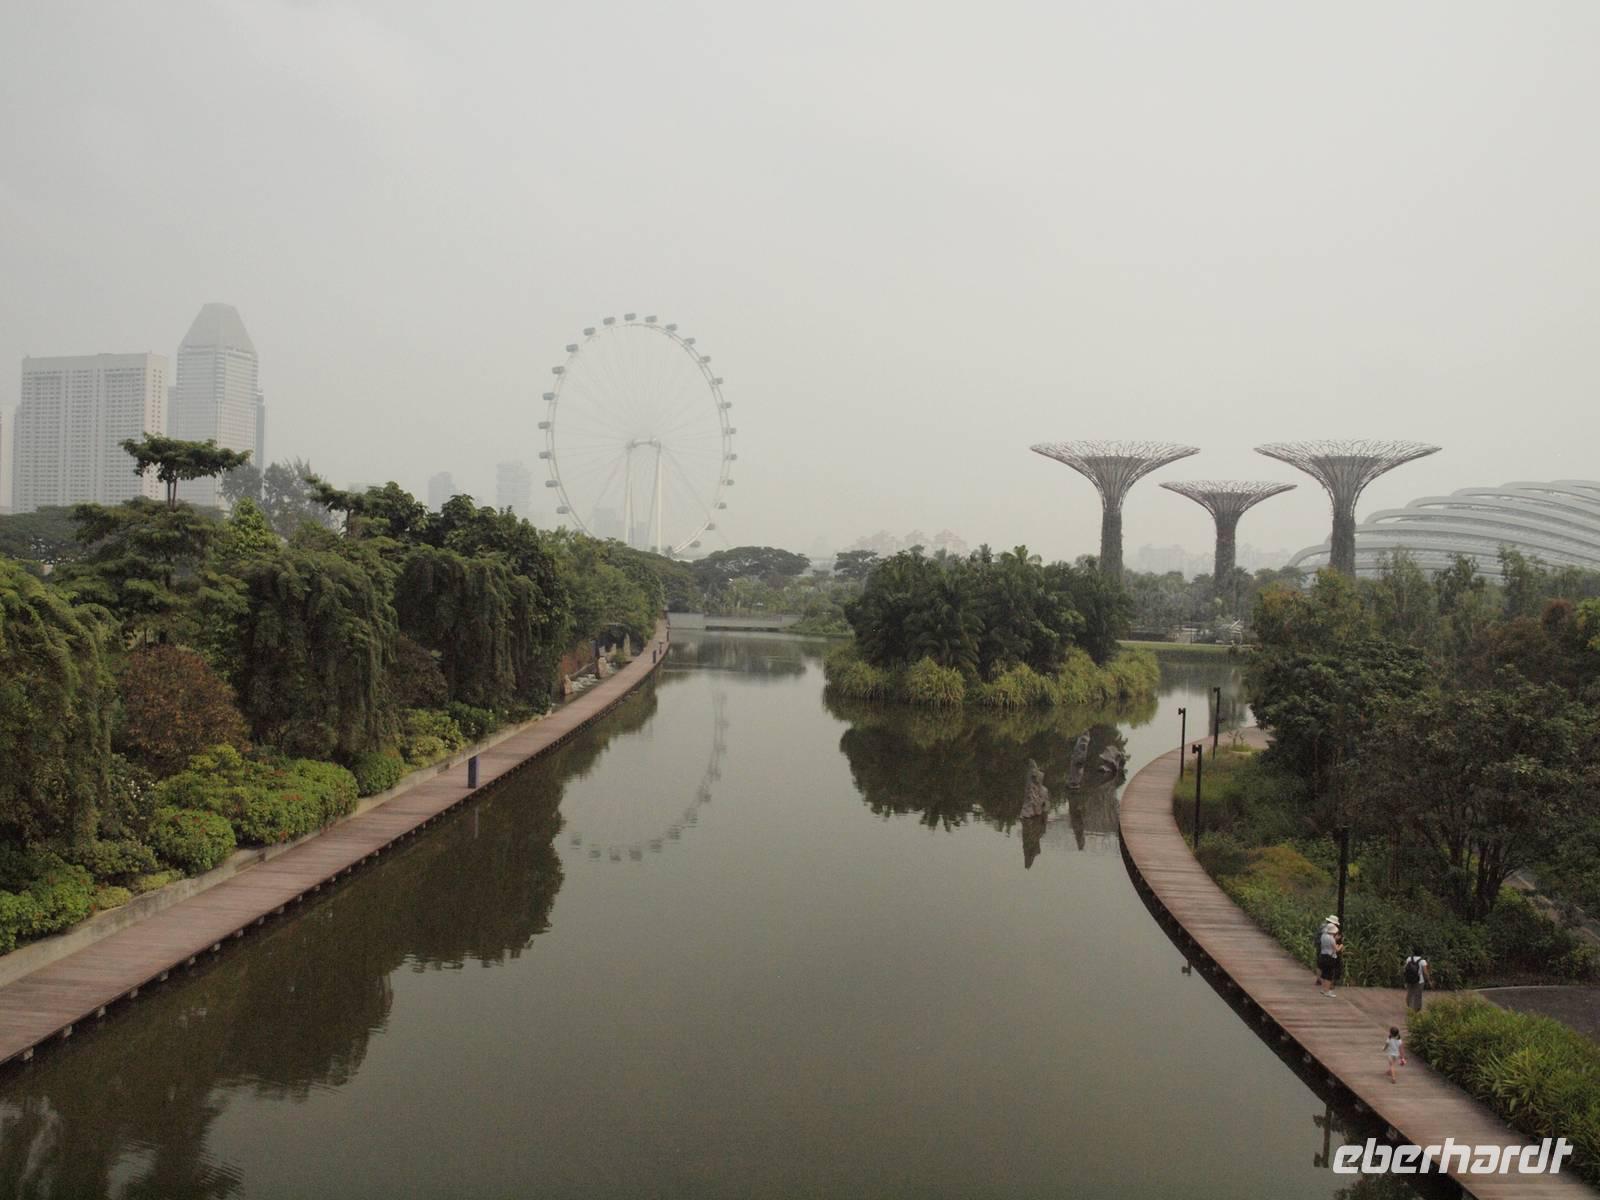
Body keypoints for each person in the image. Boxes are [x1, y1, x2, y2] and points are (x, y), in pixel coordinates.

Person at [1317, 916, 1343, 997]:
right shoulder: (1331, 938)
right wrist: (1341, 946)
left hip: (1323, 955)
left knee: (1324, 973)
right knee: (1329, 975)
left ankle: (1323, 989)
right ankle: (1327, 991)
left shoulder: (1323, 935)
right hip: (1330, 958)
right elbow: (1336, 949)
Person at [1403, 948, 1432, 1012]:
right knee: (1418, 994)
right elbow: (1425, 972)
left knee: (1410, 993)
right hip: (1419, 980)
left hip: (1409, 979)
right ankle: (1416, 1009)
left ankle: (1409, 1006)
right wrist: (1429, 980)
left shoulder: (1409, 959)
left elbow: (1405, 968)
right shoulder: (1423, 961)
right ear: (1421, 953)